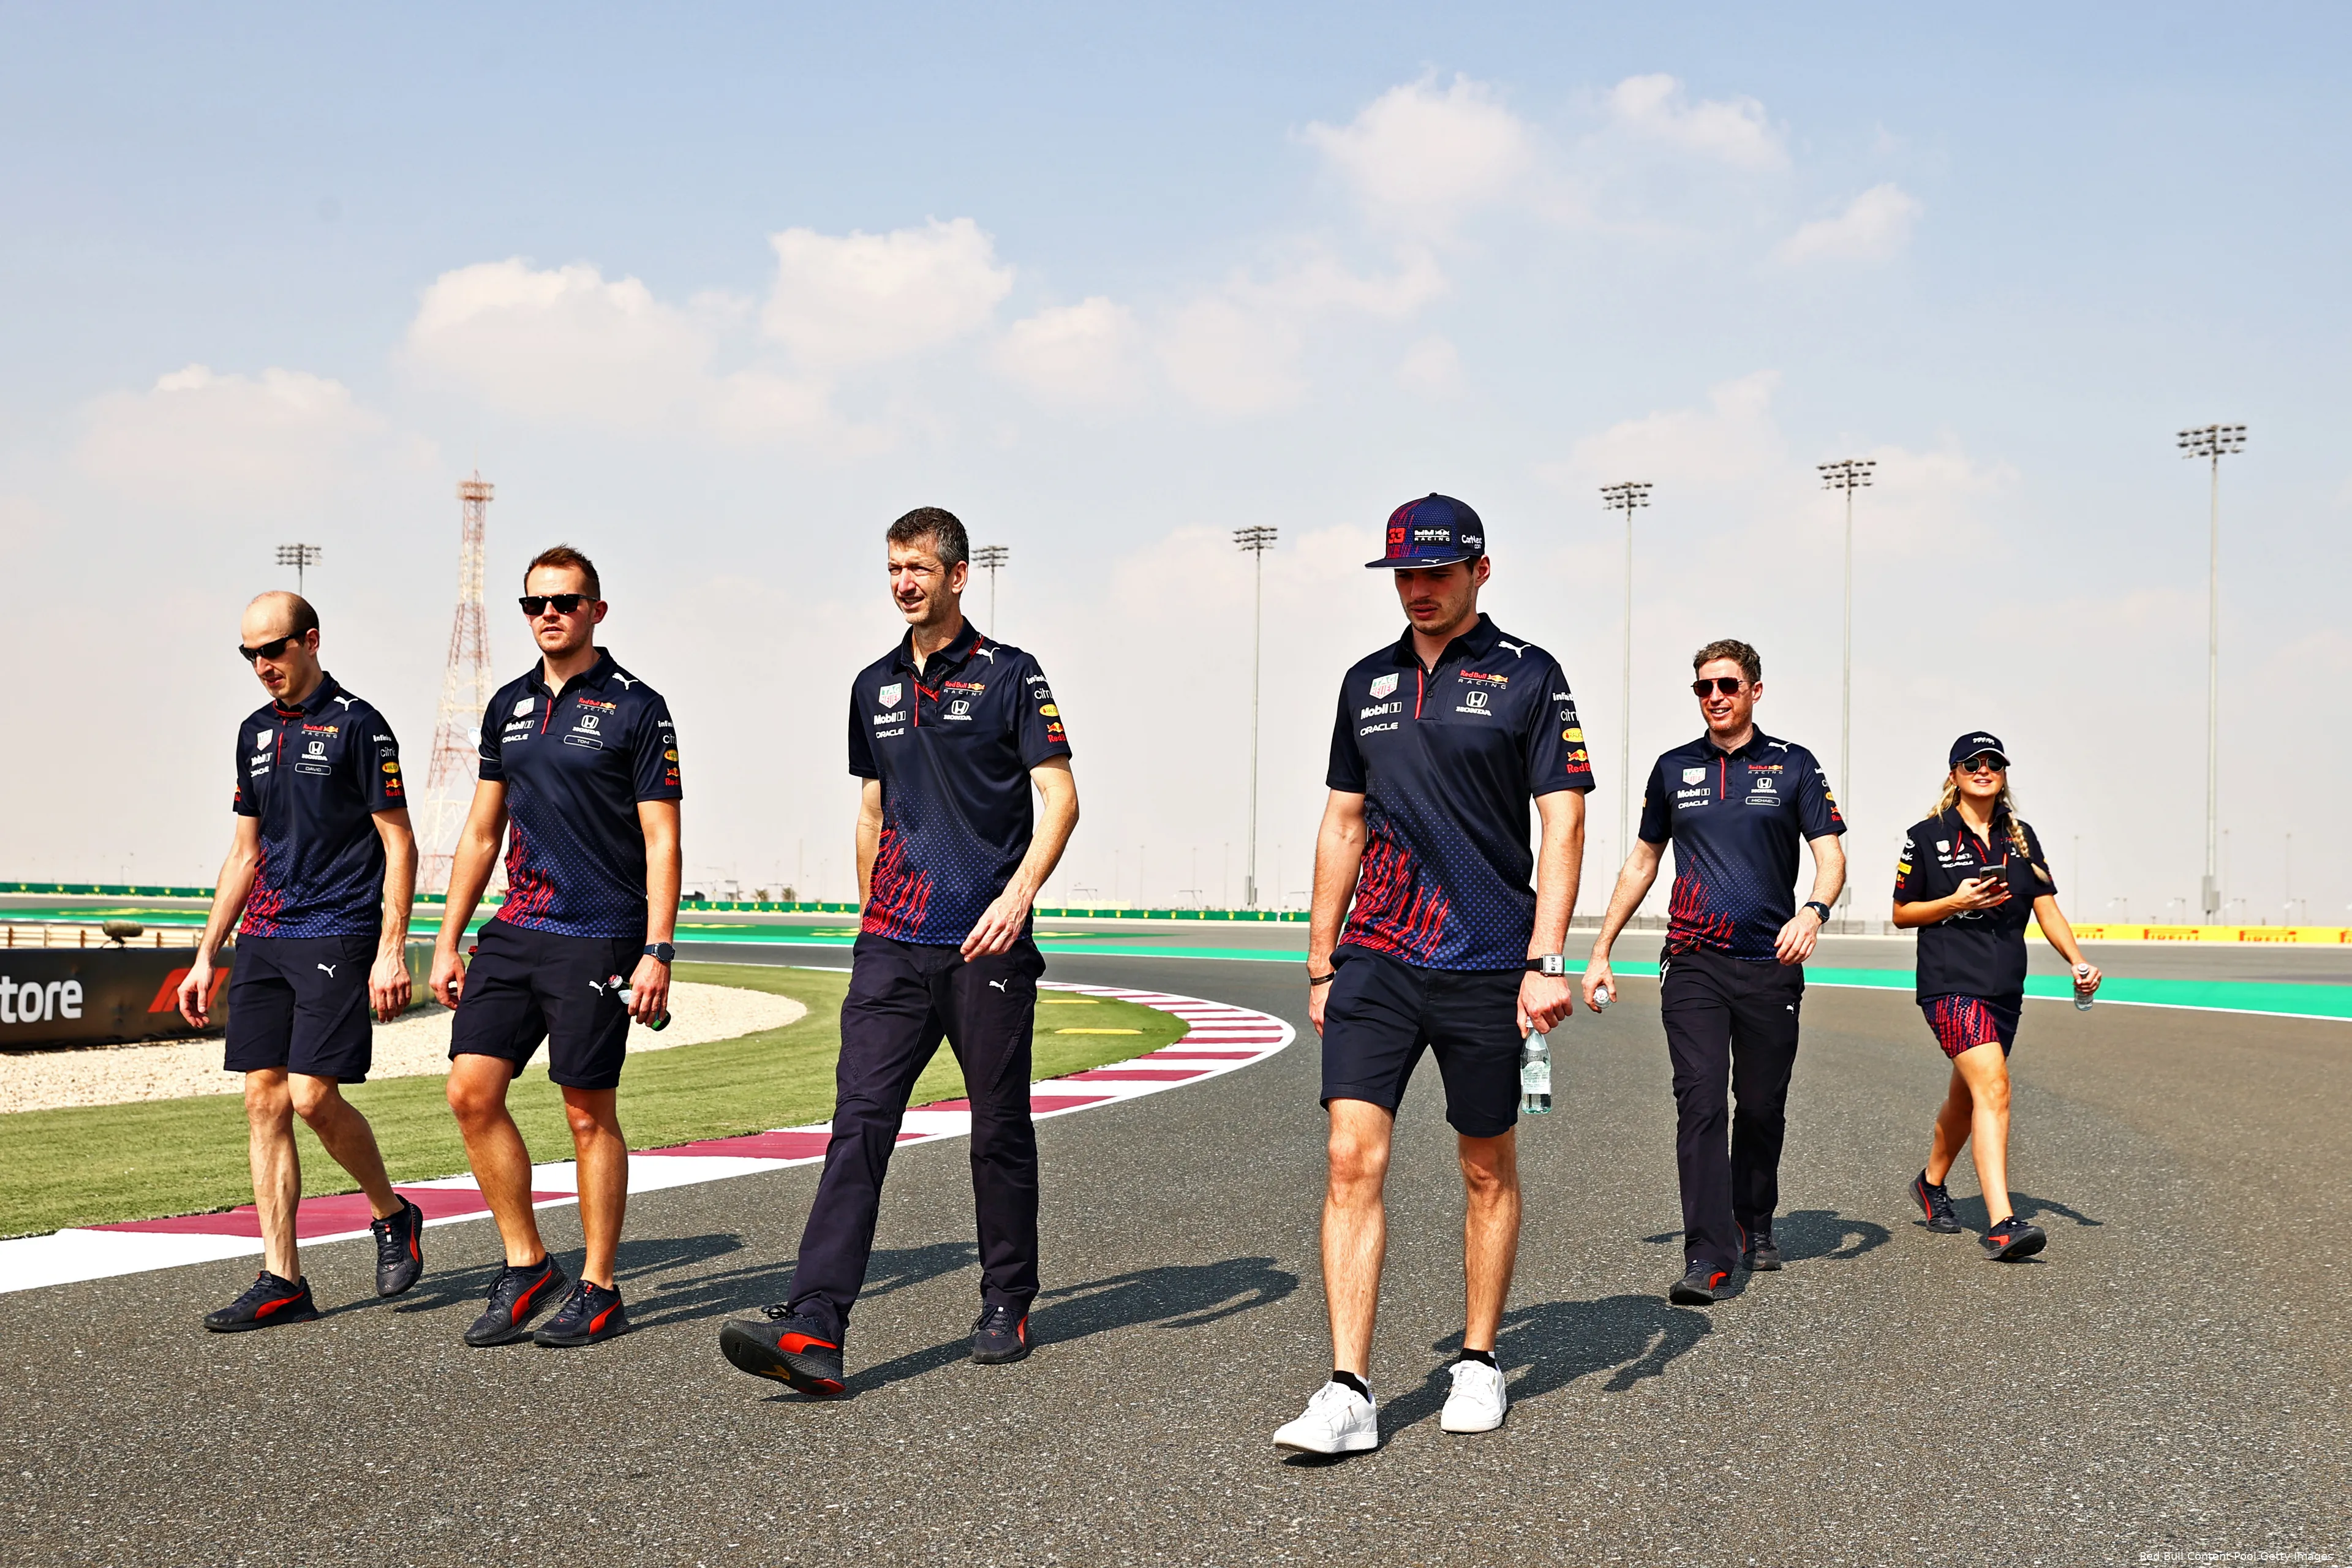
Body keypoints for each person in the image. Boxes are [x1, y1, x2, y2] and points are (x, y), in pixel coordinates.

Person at [720, 507, 1079, 1396]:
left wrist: (1016, 898)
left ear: (959, 575)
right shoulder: (871, 684)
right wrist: (871, 912)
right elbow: (873, 811)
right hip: (891, 945)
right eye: (893, 570)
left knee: (996, 1128)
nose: (903, 584)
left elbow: (1061, 796)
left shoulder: (1011, 675)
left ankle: (1007, 1297)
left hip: (984, 945)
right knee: (858, 1126)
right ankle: (815, 1325)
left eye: (918, 568)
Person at [1270, 494, 1589, 1457]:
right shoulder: (1364, 682)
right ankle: (1348, 1389)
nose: (1417, 591)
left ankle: (1482, 1359)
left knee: (1485, 1164)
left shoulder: (1531, 676)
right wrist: (1321, 958)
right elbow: (1342, 820)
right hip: (1377, 957)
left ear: (1480, 571)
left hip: (1490, 961)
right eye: (1404, 575)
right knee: (1349, 1159)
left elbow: (1563, 819)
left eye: (1436, 574)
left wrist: (1546, 958)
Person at [431, 545, 681, 1348]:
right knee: (470, 1092)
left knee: (585, 1113)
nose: (549, 614)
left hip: (600, 934)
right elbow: (479, 832)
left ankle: (601, 1286)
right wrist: (446, 941)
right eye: (535, 602)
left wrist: (659, 950)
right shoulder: (506, 706)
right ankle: (527, 1261)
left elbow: (662, 840)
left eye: (566, 601)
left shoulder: (639, 708)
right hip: (517, 926)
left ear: (596, 611)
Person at [179, 591, 425, 1331]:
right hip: (265, 934)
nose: (261, 666)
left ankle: (392, 1212)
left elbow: (399, 841)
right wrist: (203, 955)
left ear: (309, 640)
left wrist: (390, 950)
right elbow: (244, 852)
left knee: (313, 1097)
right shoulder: (253, 733)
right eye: (249, 654)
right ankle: (282, 1276)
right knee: (263, 1099)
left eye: (273, 650)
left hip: (338, 931)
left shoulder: (360, 724)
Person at [1582, 639, 1845, 1306]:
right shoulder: (1673, 769)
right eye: (1703, 687)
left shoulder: (1794, 766)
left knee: (1759, 1106)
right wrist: (1601, 949)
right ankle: (1709, 1253)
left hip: (1770, 963)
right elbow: (1642, 862)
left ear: (1756, 689)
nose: (1715, 697)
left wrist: (1813, 911)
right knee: (1699, 1099)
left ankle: (1754, 1218)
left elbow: (1832, 856)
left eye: (1728, 684)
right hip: (1693, 960)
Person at [1894, 732, 2101, 1261]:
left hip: (2005, 988)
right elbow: (1901, 913)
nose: (1983, 770)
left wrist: (2076, 961)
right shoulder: (1926, 835)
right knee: (1995, 1088)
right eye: (1972, 763)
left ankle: (1931, 1183)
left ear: (2003, 773)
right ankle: (2003, 1223)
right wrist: (1953, 901)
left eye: (1993, 763)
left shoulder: (2022, 837)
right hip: (1949, 983)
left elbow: (2046, 908)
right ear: (1954, 773)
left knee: (1969, 1097)